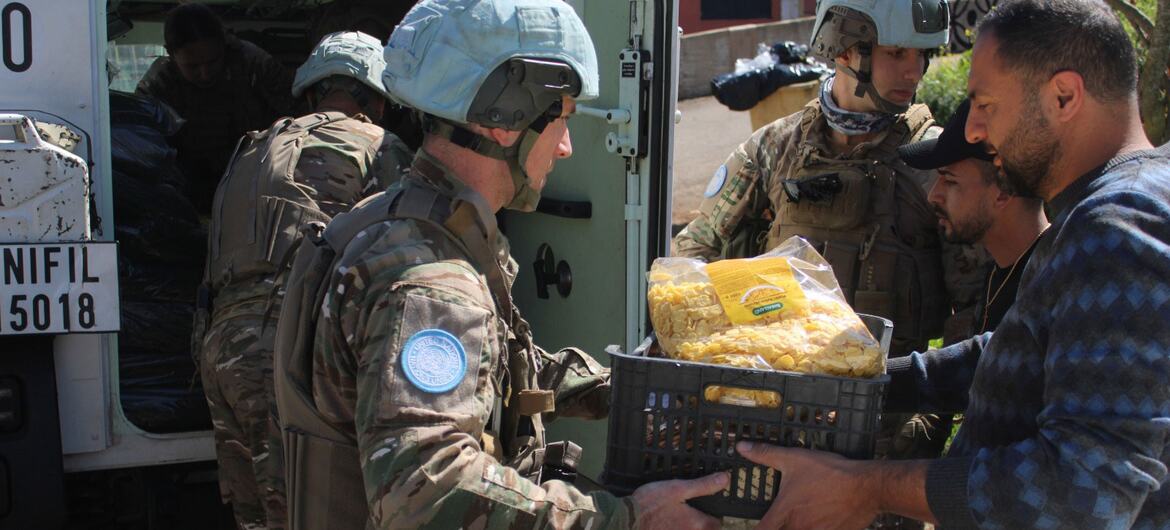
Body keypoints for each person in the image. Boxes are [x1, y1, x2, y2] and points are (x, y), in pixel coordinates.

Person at [272, 1, 728, 529]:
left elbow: (496, 375)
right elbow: (428, 492)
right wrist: (625, 519)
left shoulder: (412, 221)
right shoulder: (431, 281)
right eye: (560, 119)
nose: (565, 148)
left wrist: (628, 386)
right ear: (507, 120)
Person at [735, 1, 1170, 528]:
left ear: (1063, 96)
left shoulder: (1116, 228)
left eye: (985, 105)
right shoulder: (1113, 207)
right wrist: (853, 382)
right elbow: (1020, 352)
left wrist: (864, 488)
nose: (978, 131)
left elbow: (1082, 490)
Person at [195, 31, 412, 530]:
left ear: (314, 91)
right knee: (305, 515)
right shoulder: (378, 145)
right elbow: (403, 250)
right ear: (375, 98)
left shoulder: (253, 148)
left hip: (221, 350)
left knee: (256, 516)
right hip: (285, 346)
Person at [897, 99, 1049, 334]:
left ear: (1003, 191)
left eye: (950, 180)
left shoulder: (1052, 288)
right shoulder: (1001, 273)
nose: (933, 196)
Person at [136, 3, 295, 212]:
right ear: (171, 54)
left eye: (212, 62)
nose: (205, 73)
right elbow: (145, 148)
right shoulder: (158, 85)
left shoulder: (253, 64)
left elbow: (295, 118)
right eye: (192, 66)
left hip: (260, 177)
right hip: (191, 185)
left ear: (223, 45)